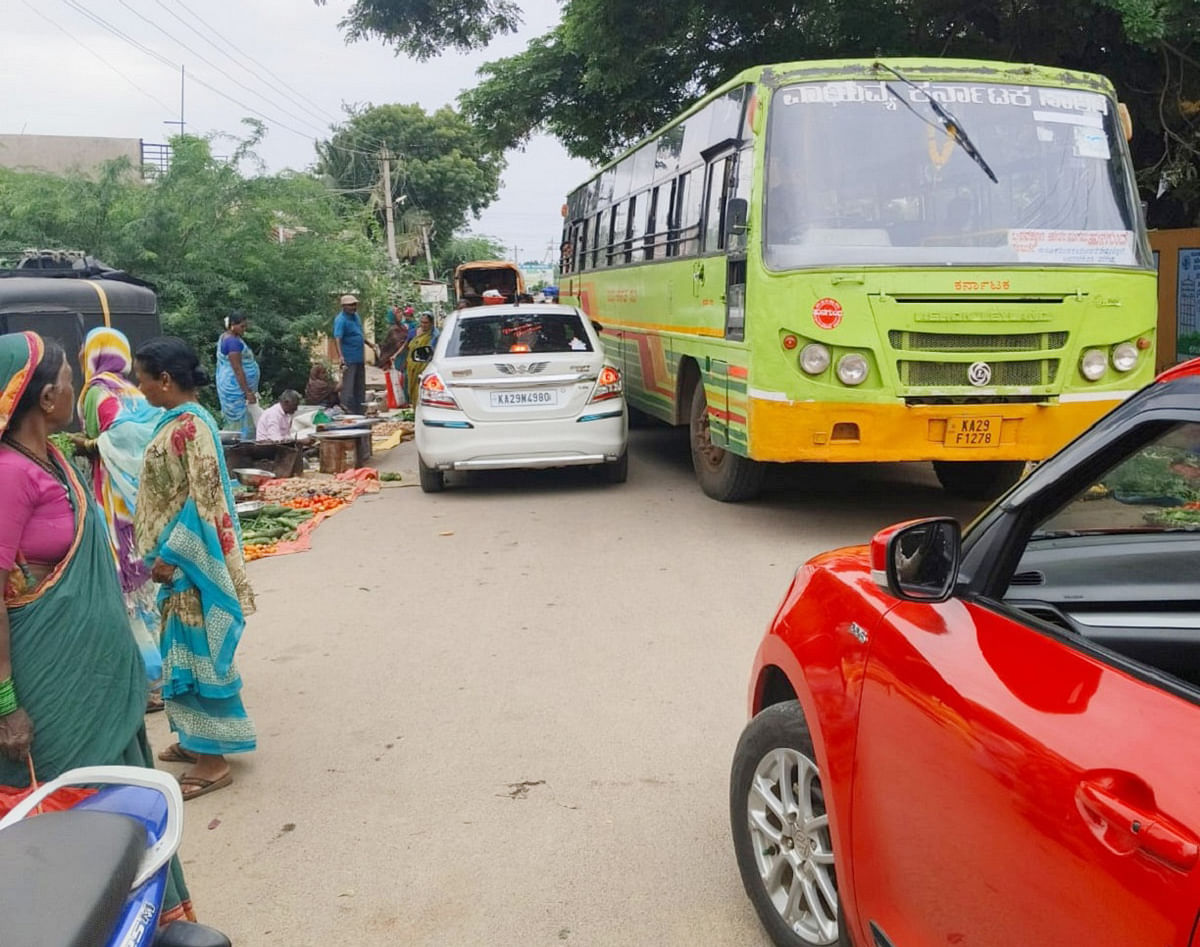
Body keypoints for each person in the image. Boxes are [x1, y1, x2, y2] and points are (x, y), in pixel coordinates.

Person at [0, 331, 196, 923]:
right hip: (50, 684)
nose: (74, 389)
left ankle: (144, 921)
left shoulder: (54, 456)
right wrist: (6, 700)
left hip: (96, 676)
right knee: (73, 805)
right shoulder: (10, 475)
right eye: (64, 377)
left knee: (124, 799)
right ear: (44, 396)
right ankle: (72, 922)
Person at [133, 337, 256, 801]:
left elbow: (202, 500)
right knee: (181, 654)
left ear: (165, 380)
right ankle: (194, 740)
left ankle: (213, 759)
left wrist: (173, 554)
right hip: (175, 564)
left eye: (143, 379)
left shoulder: (192, 427)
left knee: (197, 657)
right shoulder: (179, 422)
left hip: (187, 565)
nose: (139, 388)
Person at [70, 327, 165, 708]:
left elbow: (113, 439)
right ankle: (161, 674)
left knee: (122, 590)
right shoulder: (131, 389)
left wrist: (87, 444)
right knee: (142, 589)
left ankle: (146, 680)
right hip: (136, 500)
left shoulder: (95, 390)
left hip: (111, 499)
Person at [215, 311, 261, 439]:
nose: (244, 329)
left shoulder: (228, 337)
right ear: (233, 325)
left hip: (234, 385)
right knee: (241, 419)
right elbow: (237, 368)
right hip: (236, 388)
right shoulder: (232, 342)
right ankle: (242, 444)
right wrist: (247, 392)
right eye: (242, 326)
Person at [333, 294, 376, 414]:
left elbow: (359, 334)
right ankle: (347, 413)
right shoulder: (340, 320)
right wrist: (341, 356)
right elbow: (338, 339)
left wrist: (370, 344)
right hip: (349, 359)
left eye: (355, 304)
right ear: (344, 306)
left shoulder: (356, 316)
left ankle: (360, 413)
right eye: (351, 305)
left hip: (359, 358)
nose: (354, 307)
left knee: (360, 388)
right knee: (348, 388)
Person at [376, 311, 412, 407]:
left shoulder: (403, 327)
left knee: (404, 379)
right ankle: (396, 402)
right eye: (398, 313)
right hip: (394, 358)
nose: (401, 315)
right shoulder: (393, 330)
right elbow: (394, 344)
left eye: (400, 312)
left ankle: (404, 401)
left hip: (405, 356)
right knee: (396, 380)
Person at [405, 311, 438, 405]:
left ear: (431, 323)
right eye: (422, 322)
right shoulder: (414, 332)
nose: (423, 325)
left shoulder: (434, 335)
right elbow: (407, 346)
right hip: (412, 366)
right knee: (412, 389)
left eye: (426, 323)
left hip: (425, 367)